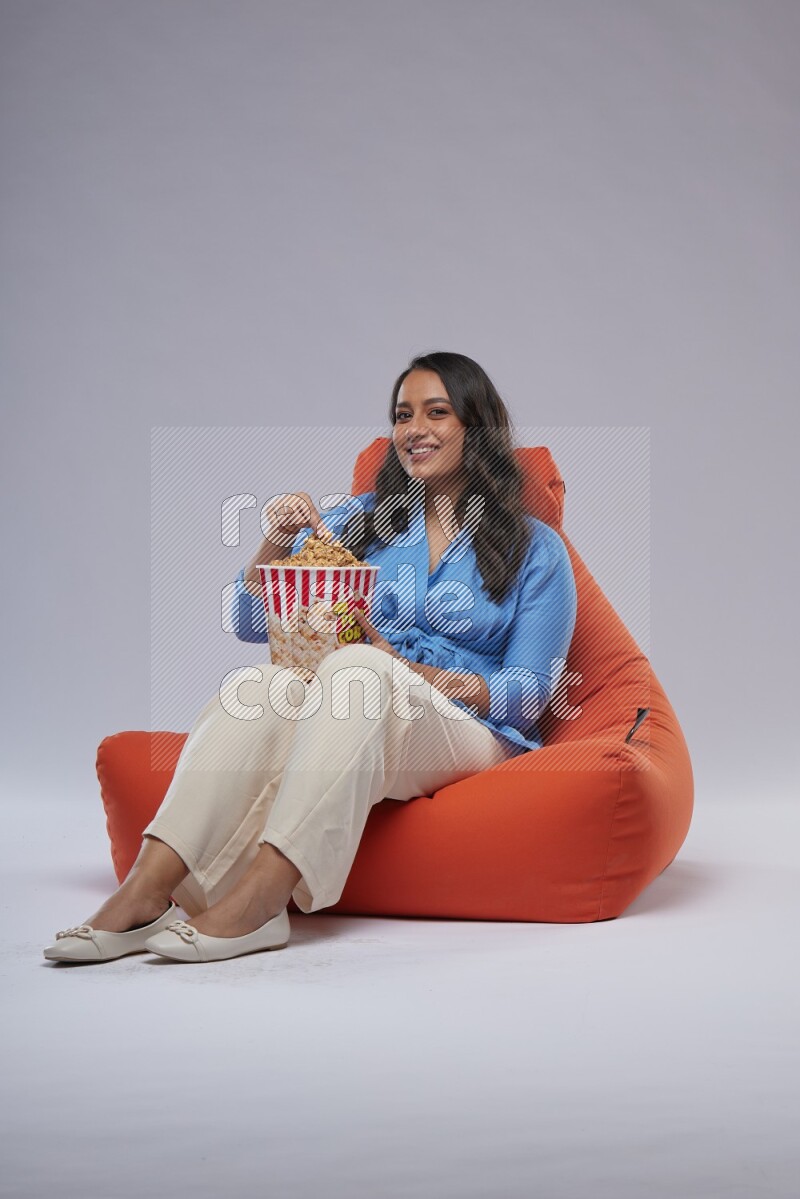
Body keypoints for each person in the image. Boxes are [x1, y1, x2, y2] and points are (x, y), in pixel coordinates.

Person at [43, 351, 578, 964]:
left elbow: (531, 692)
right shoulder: (363, 524)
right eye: (403, 415)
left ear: (475, 426)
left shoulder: (537, 548)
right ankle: (148, 889)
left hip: (474, 733)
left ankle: (262, 903)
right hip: (358, 711)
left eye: (437, 412)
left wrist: (411, 672)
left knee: (361, 670)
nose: (415, 429)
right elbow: (250, 620)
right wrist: (275, 538)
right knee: (264, 684)